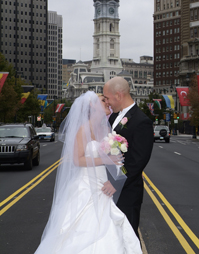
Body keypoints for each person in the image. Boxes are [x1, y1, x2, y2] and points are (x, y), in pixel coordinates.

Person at [34, 91, 142, 254]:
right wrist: (105, 160)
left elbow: (113, 160)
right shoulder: (83, 129)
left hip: (103, 186)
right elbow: (78, 160)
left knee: (110, 227)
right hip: (85, 186)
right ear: (93, 107)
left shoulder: (107, 129)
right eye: (103, 100)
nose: (107, 102)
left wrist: (118, 172)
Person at [103, 77, 154, 238]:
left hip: (127, 192)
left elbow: (138, 161)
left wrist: (116, 182)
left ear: (118, 95)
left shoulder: (141, 121)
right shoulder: (113, 117)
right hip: (107, 189)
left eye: (108, 98)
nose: (107, 102)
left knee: (128, 236)